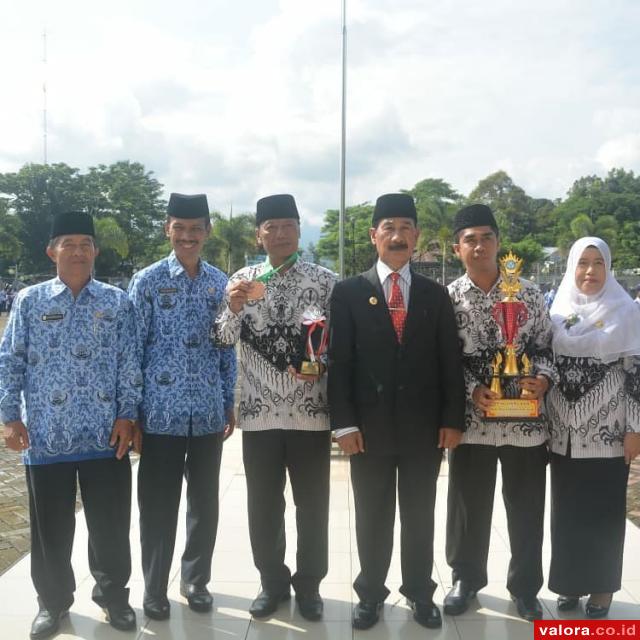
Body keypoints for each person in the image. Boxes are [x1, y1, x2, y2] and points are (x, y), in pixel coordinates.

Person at [0, 212, 141, 639]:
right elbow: (10, 360)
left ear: (95, 251)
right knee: (49, 532)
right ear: (51, 250)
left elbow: (130, 362)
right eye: (68, 243)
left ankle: (113, 596)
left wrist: (127, 414)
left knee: (111, 525)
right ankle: (53, 603)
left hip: (105, 435)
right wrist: (9, 417)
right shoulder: (30, 301)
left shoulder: (117, 301)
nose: (77, 250)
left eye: (85, 243)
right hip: (45, 436)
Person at [328, 193, 465, 630]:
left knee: (420, 514)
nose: (397, 235)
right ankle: (370, 594)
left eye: (406, 227)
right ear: (374, 236)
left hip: (424, 429)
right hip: (367, 430)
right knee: (372, 515)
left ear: (417, 236)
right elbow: (340, 364)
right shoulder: (349, 292)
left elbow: (449, 361)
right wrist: (344, 424)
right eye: (388, 227)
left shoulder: (435, 294)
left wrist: (452, 419)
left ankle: (420, 594)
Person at [213, 194, 336, 621]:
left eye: (288, 225)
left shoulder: (324, 281)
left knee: (313, 504)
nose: (280, 233)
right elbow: (223, 338)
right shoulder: (243, 280)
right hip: (259, 415)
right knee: (264, 505)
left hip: (311, 414)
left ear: (299, 229)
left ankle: (310, 586)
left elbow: (341, 344)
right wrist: (233, 305)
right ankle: (271, 582)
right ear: (258, 233)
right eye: (271, 227)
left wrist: (322, 363)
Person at [444, 204, 557, 622]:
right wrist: (470, 389)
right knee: (467, 506)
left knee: (527, 509)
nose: (479, 246)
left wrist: (542, 379)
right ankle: (465, 580)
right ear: (457, 248)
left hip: (526, 424)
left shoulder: (527, 293)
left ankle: (525, 588)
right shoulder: (448, 297)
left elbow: (547, 347)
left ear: (498, 243)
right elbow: (442, 359)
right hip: (473, 423)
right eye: (469, 239)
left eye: (486, 237)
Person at [128, 193, 237, 620]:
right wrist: (132, 411)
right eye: (180, 228)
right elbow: (132, 349)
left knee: (204, 503)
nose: (188, 236)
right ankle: (155, 587)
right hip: (160, 416)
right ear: (167, 229)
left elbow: (226, 346)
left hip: (208, 413)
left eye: (196, 229)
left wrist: (228, 400)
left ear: (207, 232)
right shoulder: (148, 281)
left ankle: (195, 579)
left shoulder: (218, 282)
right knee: (157, 506)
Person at [546, 236, 640, 618]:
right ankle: (569, 585)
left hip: (609, 434)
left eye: (597, 263)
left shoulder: (626, 311)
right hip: (563, 433)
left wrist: (636, 427)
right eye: (582, 263)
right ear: (571, 266)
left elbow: (636, 375)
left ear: (608, 267)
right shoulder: (557, 308)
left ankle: (601, 590)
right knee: (567, 512)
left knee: (603, 513)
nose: (589, 271)